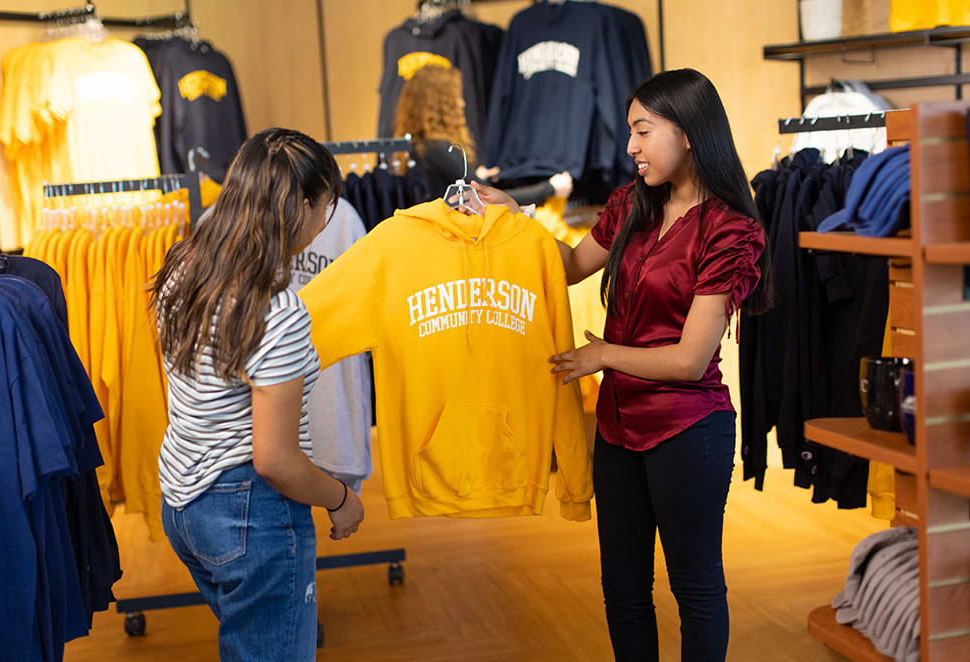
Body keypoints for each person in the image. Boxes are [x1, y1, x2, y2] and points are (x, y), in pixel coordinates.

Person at [467, 68, 774, 661]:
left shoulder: (731, 230)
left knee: (695, 587)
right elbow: (568, 266)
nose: (630, 146)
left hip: (688, 430)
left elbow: (690, 361)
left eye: (643, 131)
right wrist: (512, 216)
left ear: (688, 133)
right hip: (616, 428)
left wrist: (604, 354)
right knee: (623, 590)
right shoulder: (632, 204)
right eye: (631, 132)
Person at [150, 128, 365, 661]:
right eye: (327, 205)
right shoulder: (276, 311)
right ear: (305, 205)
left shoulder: (185, 265)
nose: (327, 219)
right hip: (249, 515)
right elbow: (275, 459)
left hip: (184, 500)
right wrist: (341, 499)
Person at [393, 63, 572, 205]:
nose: (462, 104)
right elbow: (490, 198)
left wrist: (476, 177)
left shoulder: (419, 146)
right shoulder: (439, 147)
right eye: (455, 97)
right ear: (440, 103)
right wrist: (550, 188)